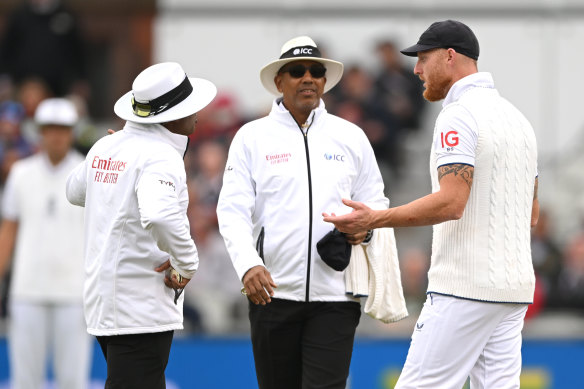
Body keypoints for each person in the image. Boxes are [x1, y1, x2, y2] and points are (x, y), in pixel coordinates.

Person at [323, 20, 539, 388]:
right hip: (514, 291)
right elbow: (531, 214)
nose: (416, 70)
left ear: (450, 56)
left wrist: (374, 219)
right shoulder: (519, 121)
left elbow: (452, 203)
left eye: (423, 58)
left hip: (465, 287)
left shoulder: (458, 114)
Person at [216, 36, 389, 389]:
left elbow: (376, 202)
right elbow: (231, 209)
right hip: (272, 294)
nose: (308, 78)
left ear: (325, 82)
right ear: (279, 81)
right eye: (297, 71)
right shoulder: (252, 137)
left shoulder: (351, 136)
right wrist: (249, 264)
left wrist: (366, 228)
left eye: (316, 71)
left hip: (336, 296)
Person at [65, 62, 216, 388]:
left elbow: (75, 191)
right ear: (170, 115)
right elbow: (159, 214)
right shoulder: (160, 154)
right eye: (189, 106)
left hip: (108, 303)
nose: (197, 113)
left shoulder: (108, 145)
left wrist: (106, 153)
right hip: (140, 306)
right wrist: (186, 262)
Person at [0, 98, 91, 389]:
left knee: (72, 381)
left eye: (62, 128)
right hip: (27, 289)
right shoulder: (20, 174)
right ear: (39, 132)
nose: (56, 135)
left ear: (72, 132)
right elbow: (8, 231)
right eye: (49, 128)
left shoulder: (88, 173)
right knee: (25, 380)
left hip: (74, 292)